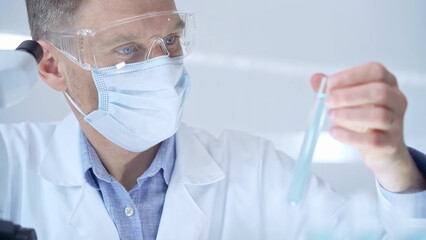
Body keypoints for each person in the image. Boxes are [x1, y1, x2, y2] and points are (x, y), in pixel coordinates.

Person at [1, 0, 425, 239]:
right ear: (53, 68)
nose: (163, 66)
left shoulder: (255, 172)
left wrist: (394, 168)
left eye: (169, 39)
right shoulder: (10, 167)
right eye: (127, 50)